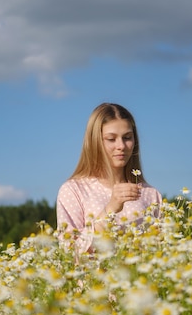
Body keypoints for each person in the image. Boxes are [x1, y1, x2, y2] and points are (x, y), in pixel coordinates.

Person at [56, 103, 162, 253]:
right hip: (94, 276)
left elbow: (160, 252)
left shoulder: (150, 194)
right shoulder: (74, 190)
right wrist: (110, 209)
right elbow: (69, 253)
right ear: (95, 142)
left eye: (127, 137)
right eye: (111, 139)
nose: (121, 146)